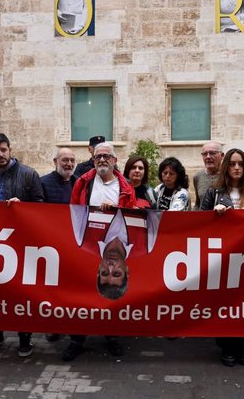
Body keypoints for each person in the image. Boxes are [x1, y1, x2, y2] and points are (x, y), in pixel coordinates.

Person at [64, 142, 137, 361]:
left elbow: (132, 214)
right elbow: (74, 213)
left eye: (107, 156)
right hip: (88, 250)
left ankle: (112, 337)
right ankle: (76, 340)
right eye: (98, 157)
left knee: (111, 301)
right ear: (93, 160)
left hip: (113, 250)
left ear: (115, 161)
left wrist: (117, 210)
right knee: (80, 296)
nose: (102, 160)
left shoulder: (125, 187)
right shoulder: (83, 183)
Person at [0, 133, 44, 357]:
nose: (0, 154)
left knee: (21, 290)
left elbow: (41, 206)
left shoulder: (28, 174)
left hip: (19, 241)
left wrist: (22, 206)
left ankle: (25, 337)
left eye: (4, 150)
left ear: (10, 149)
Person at [200, 148, 244, 365]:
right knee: (225, 302)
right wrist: (213, 215)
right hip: (223, 257)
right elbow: (199, 222)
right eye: (233, 164)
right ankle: (227, 346)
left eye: (241, 164)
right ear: (226, 167)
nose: (237, 168)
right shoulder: (214, 192)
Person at [40, 147, 77, 342]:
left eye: (72, 160)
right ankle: (54, 327)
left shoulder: (78, 183)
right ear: (55, 162)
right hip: (51, 247)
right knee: (52, 292)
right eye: (65, 160)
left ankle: (71, 326)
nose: (69, 164)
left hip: (72, 247)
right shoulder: (43, 183)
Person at [193, 141, 224, 210]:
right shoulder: (198, 176)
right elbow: (198, 204)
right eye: (204, 154)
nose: (208, 157)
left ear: (222, 156)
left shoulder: (228, 175)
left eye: (212, 153)